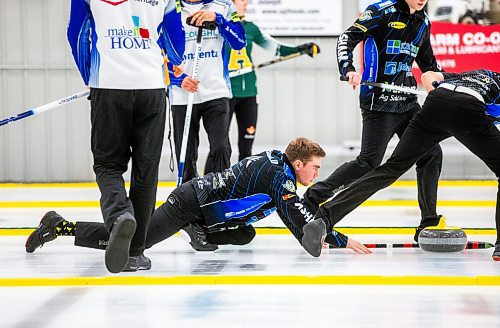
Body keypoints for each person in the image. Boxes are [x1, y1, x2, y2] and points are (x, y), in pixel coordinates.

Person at [25, 138, 371, 270]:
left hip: (201, 204)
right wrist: (339, 239)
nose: (316, 172)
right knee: (130, 244)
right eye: (315, 167)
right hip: (188, 204)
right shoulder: (278, 177)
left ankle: (201, 229)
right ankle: (59, 225)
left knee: (245, 234)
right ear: (299, 163)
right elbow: (298, 220)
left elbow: (294, 211)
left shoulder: (276, 163)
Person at [302, 70, 500, 261]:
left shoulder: (475, 74)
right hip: (467, 109)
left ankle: (324, 219)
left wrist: (442, 99)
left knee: (391, 168)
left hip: (436, 102)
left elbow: (427, 76)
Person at [59, 0, 185, 273]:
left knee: (108, 164)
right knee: (146, 170)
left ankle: (119, 216)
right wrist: (171, 59)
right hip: (151, 87)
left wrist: (88, 74)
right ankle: (135, 252)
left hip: (109, 85)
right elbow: (176, 45)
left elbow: (77, 33)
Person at [304, 0, 444, 242]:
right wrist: (348, 69)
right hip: (379, 102)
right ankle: (315, 196)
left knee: (431, 153)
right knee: (368, 163)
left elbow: (428, 63)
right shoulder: (381, 11)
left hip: (408, 102)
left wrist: (440, 86)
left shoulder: (423, 21)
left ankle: (428, 223)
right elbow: (347, 37)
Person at [227, 0, 320, 161]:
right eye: (242, 0)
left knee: (246, 145)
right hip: (225, 92)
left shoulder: (250, 28)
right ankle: (213, 182)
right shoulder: (219, 26)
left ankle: (242, 183)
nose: (246, 3)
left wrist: (300, 49)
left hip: (249, 92)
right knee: (221, 144)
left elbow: (275, 47)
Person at [169, 0, 246, 184]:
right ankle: (188, 199)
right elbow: (157, 51)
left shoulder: (223, 5)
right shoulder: (170, 7)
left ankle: (219, 196)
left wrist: (218, 19)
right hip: (182, 95)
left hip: (216, 91)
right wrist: (178, 79)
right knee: (185, 155)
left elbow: (239, 42)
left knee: (220, 148)